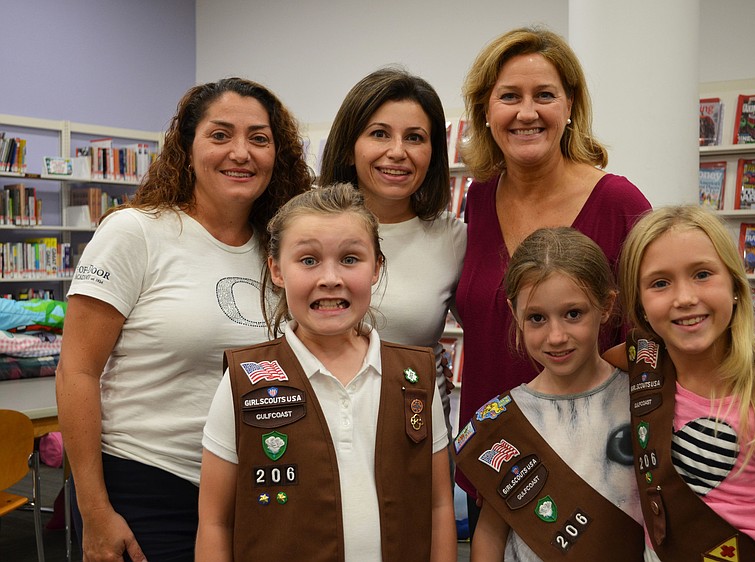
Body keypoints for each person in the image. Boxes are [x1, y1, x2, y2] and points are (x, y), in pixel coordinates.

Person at [56, 77, 312, 562]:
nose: (241, 152)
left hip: (256, 489)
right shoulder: (136, 232)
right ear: (187, 147)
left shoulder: (283, 250)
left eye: (259, 138)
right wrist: (94, 510)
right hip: (146, 487)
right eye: (220, 135)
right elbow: (77, 370)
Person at [453, 25, 651, 528]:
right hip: (496, 463)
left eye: (544, 95)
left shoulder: (618, 203)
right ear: (485, 111)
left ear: (569, 107)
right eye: (509, 97)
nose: (526, 112)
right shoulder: (477, 200)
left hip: (593, 469)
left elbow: (654, 341)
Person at [196, 183, 456, 561]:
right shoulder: (244, 379)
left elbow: (438, 507)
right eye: (308, 260)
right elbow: (215, 521)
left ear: (376, 268)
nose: (330, 278)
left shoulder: (415, 376)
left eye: (350, 259)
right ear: (276, 270)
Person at [618, 205, 755, 560]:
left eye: (702, 274)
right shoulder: (643, 368)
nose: (685, 298)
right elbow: (584, 367)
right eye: (660, 283)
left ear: (735, 284)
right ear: (639, 305)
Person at [454, 227, 643, 561]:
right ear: (515, 314)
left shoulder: (640, 396)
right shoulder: (501, 421)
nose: (556, 336)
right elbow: (490, 533)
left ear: (606, 306)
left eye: (573, 314)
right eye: (537, 318)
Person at [319, 67, 466, 439]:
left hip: (416, 438)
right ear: (349, 148)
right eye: (379, 134)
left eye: (415, 137)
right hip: (317, 432)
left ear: (433, 154)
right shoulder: (303, 228)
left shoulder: (453, 238)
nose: (397, 152)